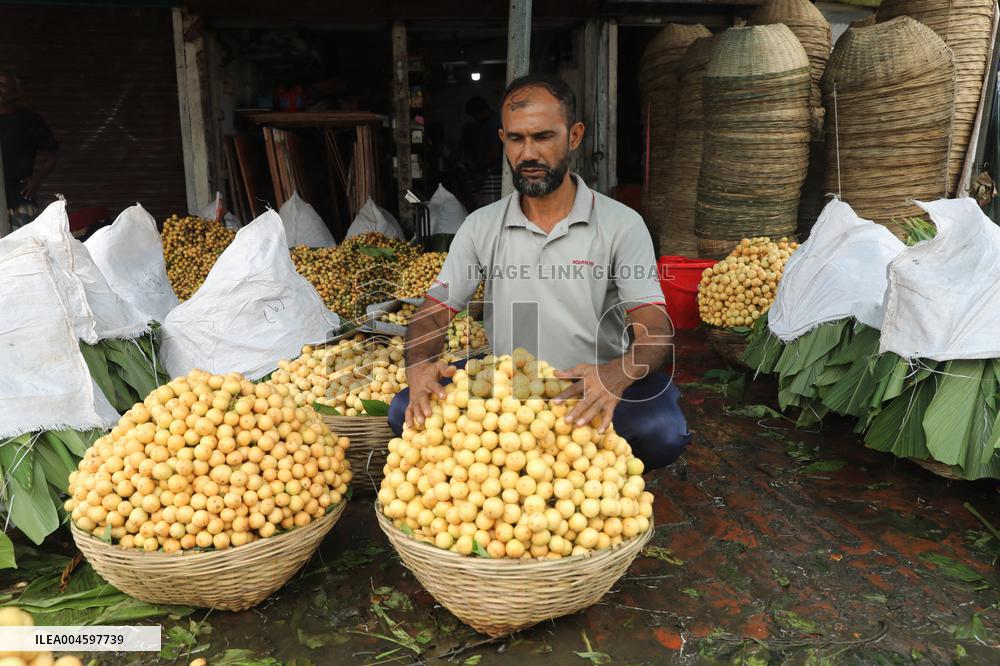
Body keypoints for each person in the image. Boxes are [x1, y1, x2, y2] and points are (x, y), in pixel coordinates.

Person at [388, 74, 690, 470]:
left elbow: (655, 325)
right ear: (503, 140)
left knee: (663, 431)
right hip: (508, 392)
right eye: (516, 139)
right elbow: (434, 311)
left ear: (575, 136)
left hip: (592, 383)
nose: (528, 153)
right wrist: (418, 368)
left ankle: (568, 462)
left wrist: (615, 375)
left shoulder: (621, 224)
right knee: (403, 408)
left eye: (544, 137)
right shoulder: (481, 225)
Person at [0, 68, 58, 229]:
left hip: (18, 200)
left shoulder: (29, 120)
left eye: (3, 85)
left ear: (15, 91)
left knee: (21, 250)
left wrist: (37, 179)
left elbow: (52, 152)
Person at [462, 95, 502, 208]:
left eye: (474, 116)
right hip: (491, 173)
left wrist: (477, 166)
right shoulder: (491, 123)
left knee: (491, 210)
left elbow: (494, 153)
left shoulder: (492, 124)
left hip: (493, 175)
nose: (475, 119)